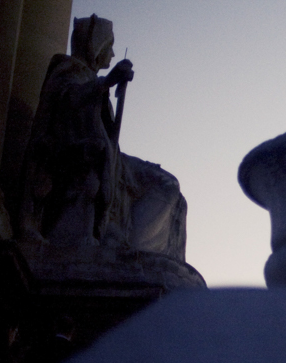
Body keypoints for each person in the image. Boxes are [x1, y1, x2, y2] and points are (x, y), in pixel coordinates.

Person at [19, 14, 188, 260]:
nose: (112, 53)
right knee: (166, 186)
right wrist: (107, 82)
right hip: (87, 155)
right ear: (96, 46)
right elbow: (71, 100)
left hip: (110, 158)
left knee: (173, 193)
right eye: (109, 46)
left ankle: (139, 250)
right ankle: (134, 253)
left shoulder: (84, 75)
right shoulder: (68, 70)